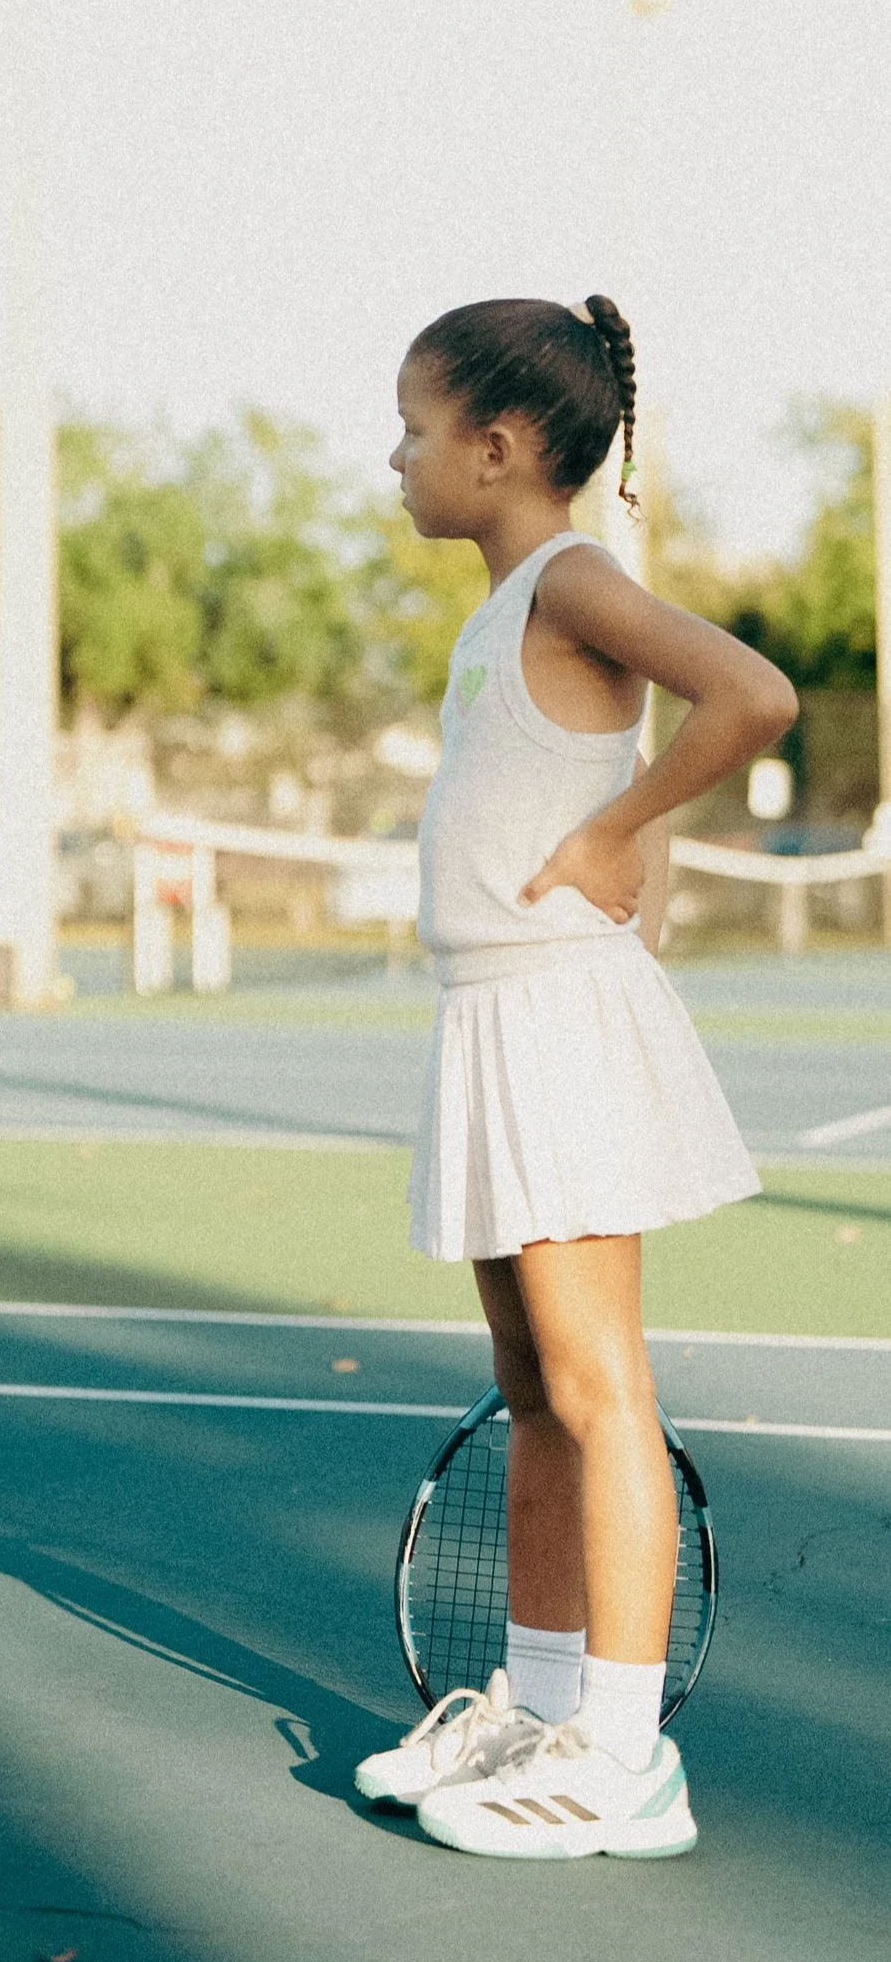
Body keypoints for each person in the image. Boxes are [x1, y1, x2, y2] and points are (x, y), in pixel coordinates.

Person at [354, 297, 792, 1859]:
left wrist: (613, 836)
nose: (394, 456)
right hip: (493, 1019)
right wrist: (625, 829)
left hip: (559, 1022)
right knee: (539, 1393)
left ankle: (625, 1753)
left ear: (499, 445)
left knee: (603, 1394)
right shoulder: (510, 601)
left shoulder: (578, 577)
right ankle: (537, 1703)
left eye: (414, 427)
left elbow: (752, 694)